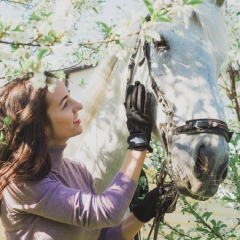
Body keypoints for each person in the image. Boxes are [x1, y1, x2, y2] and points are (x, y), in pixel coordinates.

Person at [0, 72, 178, 240]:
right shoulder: (21, 183)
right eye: (65, 104)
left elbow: (101, 236)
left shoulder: (77, 170)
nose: (78, 105)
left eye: (70, 96)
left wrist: (142, 213)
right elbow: (107, 211)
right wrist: (138, 141)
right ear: (41, 127)